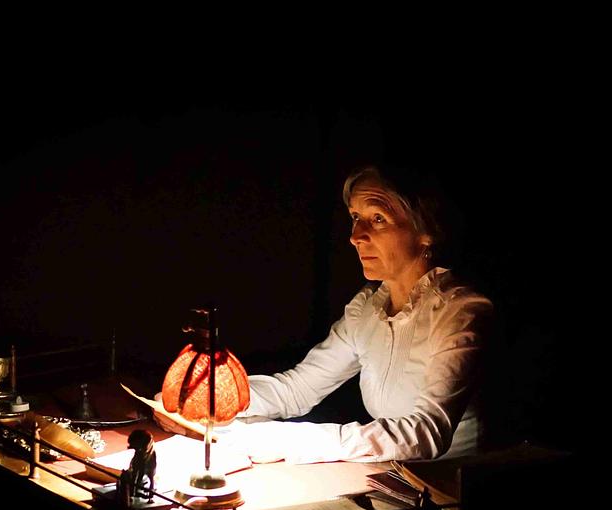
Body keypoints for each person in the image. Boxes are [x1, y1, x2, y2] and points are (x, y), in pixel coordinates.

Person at [156, 164, 493, 464]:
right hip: (395, 479)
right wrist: (205, 401)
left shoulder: (460, 312)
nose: (356, 236)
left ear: (426, 231)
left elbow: (426, 432)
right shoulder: (368, 309)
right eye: (355, 218)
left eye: (377, 219)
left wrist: (284, 440)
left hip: (457, 493)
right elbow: (298, 388)